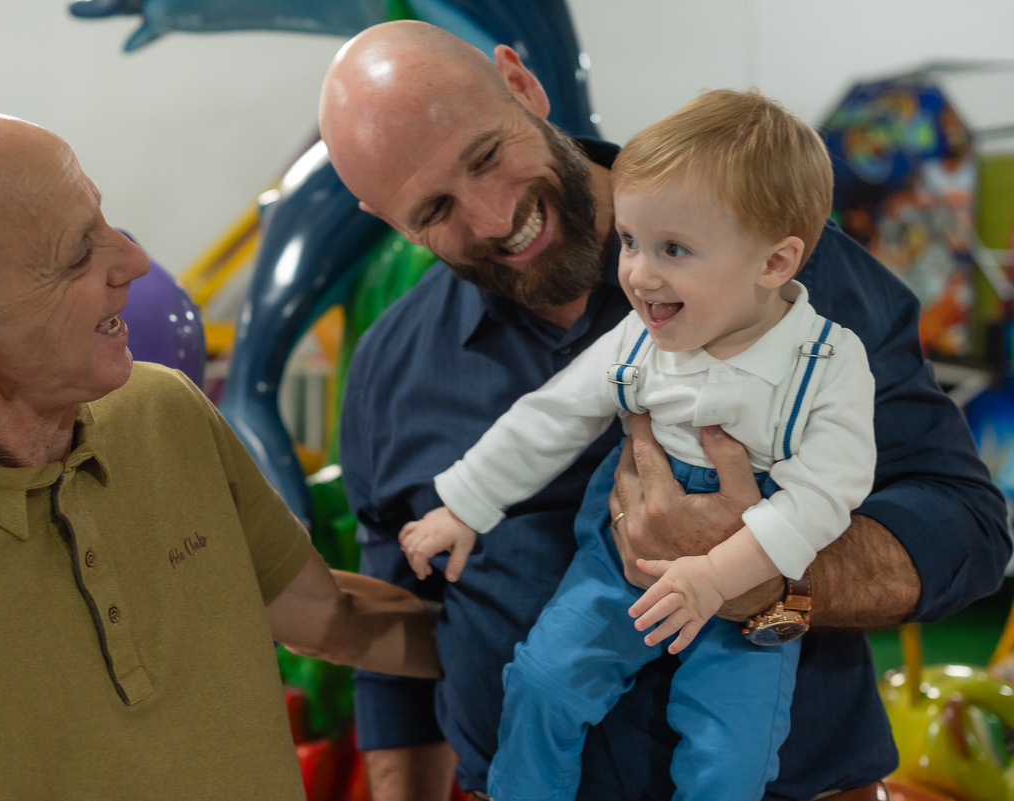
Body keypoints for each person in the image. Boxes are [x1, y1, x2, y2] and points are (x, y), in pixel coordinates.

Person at [319, 20, 1010, 801]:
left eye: (485, 156)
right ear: (383, 217)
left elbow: (967, 526)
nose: (490, 217)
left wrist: (767, 572)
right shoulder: (388, 368)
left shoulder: (781, 276)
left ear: (521, 83)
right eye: (434, 209)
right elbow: (405, 658)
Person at [0, 113, 440, 801]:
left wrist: (536, 648)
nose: (134, 263)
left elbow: (329, 618)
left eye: (104, 219)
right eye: (77, 254)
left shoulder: (164, 412)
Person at [398, 88, 876, 800]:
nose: (638, 274)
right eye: (628, 241)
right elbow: (552, 413)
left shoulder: (824, 362)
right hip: (620, 563)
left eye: (673, 249)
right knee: (544, 679)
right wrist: (465, 504)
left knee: (730, 753)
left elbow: (825, 493)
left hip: (752, 566)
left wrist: (719, 576)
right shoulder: (641, 342)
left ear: (774, 263)